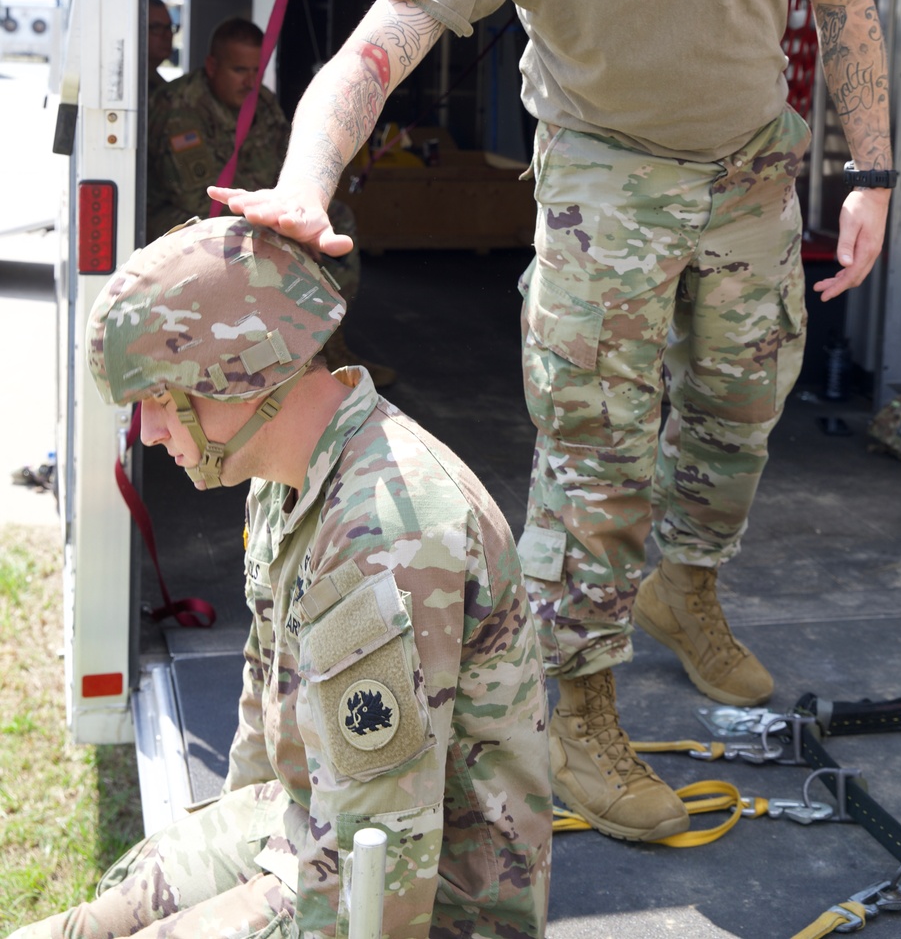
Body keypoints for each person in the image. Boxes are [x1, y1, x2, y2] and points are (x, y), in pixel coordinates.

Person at [210, 0, 894, 843]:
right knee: (595, 459)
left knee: (743, 410)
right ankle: (575, 703)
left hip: (749, 169)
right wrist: (308, 179)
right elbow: (385, 38)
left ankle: (688, 588)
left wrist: (871, 166)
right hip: (605, 175)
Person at [13, 216, 551, 939]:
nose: (146, 432)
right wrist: (218, 862)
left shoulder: (387, 535)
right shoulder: (284, 476)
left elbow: (376, 881)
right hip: (306, 828)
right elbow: (266, 702)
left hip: (430, 903)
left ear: (244, 371)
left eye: (162, 397)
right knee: (93, 917)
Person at [148, 15, 393, 385]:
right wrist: (275, 225)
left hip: (254, 211)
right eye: (238, 70)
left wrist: (296, 212)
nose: (250, 80)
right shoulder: (179, 108)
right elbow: (202, 198)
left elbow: (288, 167)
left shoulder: (261, 103)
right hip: (188, 219)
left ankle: (323, 336)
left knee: (336, 218)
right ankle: (271, 355)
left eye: (256, 69)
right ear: (212, 66)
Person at [146, 0, 175, 100]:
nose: (168, 35)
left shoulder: (160, 87)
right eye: (156, 27)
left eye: (169, 27)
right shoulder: (130, 86)